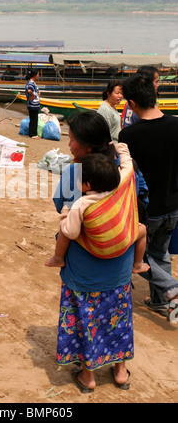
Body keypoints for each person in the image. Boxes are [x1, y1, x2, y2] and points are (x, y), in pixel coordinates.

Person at [51, 110, 147, 393]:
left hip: (84, 270)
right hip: (120, 263)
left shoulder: (76, 173)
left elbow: (61, 207)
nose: (69, 145)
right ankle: (120, 371)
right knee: (117, 316)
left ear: (88, 146)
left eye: (72, 140)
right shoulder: (126, 169)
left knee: (86, 318)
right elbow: (142, 196)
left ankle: (88, 376)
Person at [119, 74, 178, 322]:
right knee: (160, 254)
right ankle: (159, 302)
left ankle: (173, 289)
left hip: (146, 209)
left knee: (139, 258)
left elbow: (127, 176)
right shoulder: (176, 124)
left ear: (131, 103)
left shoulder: (129, 136)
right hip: (173, 204)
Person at [46, 145, 149, 274]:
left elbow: (72, 233)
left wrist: (65, 215)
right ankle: (138, 264)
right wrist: (122, 150)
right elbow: (128, 166)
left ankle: (57, 258)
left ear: (87, 185)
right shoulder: (120, 186)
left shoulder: (82, 203)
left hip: (100, 249)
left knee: (65, 230)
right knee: (143, 229)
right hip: (124, 242)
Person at [25, 69, 41, 139]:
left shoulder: (31, 82)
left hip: (33, 103)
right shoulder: (31, 83)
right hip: (33, 104)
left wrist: (37, 94)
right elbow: (29, 90)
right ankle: (33, 134)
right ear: (34, 75)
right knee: (34, 119)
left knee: (33, 119)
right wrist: (33, 96)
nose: (38, 76)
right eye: (38, 74)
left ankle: (32, 133)